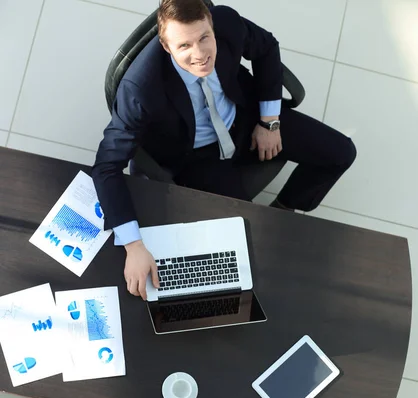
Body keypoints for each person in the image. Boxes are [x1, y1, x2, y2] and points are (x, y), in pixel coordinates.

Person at [92, 0, 356, 301]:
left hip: (246, 119)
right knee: (247, 244)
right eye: (185, 46)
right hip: (196, 156)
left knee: (341, 153)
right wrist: (133, 246)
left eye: (205, 37)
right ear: (166, 47)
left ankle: (285, 207)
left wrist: (269, 121)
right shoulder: (139, 90)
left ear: (212, 25)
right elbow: (106, 167)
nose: (200, 54)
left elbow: (267, 47)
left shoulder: (226, 21)